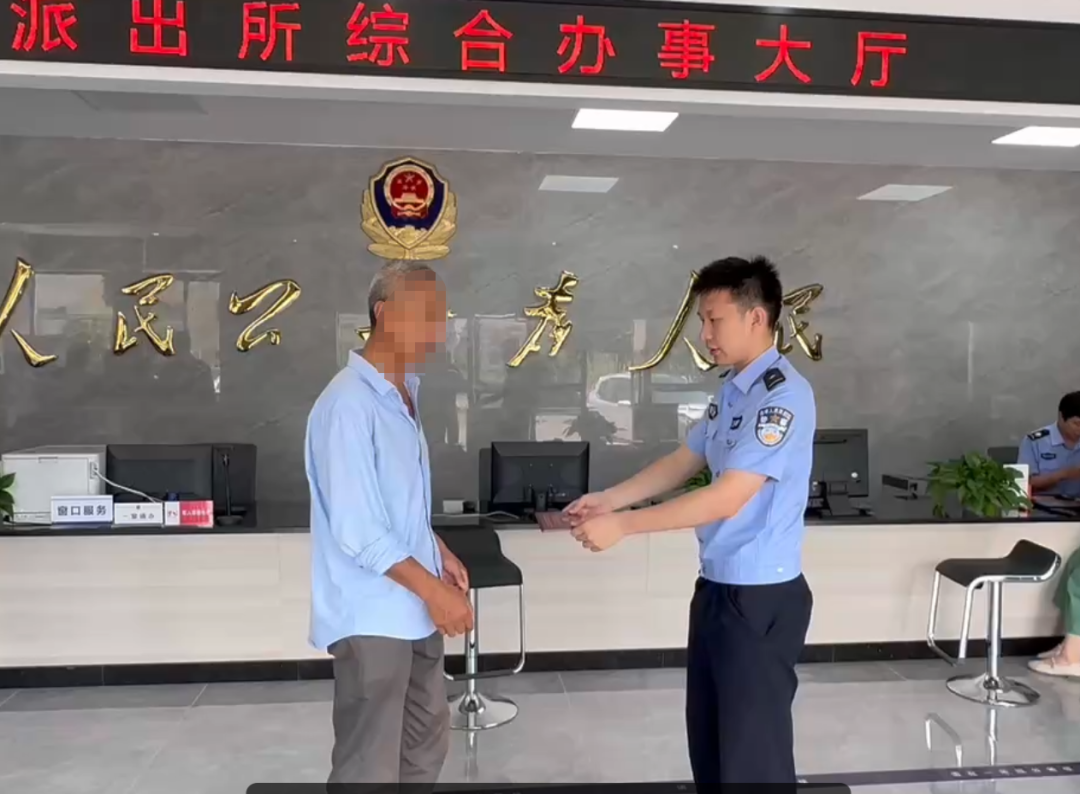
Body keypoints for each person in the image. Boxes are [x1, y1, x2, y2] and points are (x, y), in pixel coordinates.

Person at [566, 256, 816, 786]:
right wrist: (609, 500)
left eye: (714, 320)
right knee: (711, 744)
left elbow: (727, 498)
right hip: (718, 590)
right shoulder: (734, 390)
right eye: (702, 321)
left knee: (752, 761)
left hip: (759, 599)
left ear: (756, 317)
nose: (705, 335)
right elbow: (684, 460)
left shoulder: (783, 396)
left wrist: (625, 527)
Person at [305, 260, 473, 785]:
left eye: (442, 318)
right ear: (384, 313)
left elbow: (395, 503)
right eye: (427, 315)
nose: (438, 331)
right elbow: (357, 528)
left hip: (413, 608)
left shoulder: (403, 395)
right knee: (369, 767)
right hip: (373, 614)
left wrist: (436, 548)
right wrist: (436, 592)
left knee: (423, 748)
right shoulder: (347, 405)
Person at [1017, 391, 1080, 497]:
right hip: (1043, 504)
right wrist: (1064, 474)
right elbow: (1025, 484)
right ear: (1061, 417)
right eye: (1077, 424)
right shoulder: (1034, 442)